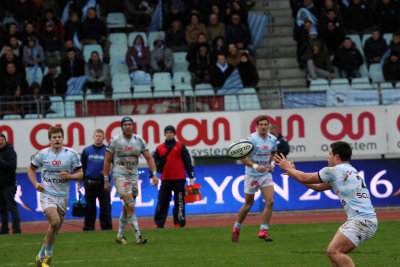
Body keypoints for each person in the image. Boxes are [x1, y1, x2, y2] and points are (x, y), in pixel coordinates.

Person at [274, 141, 378, 267]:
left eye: (329, 154)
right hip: (366, 220)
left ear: (337, 157)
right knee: (335, 257)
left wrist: (288, 168)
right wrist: (293, 173)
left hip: (361, 220)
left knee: (333, 252)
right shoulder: (350, 170)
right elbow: (317, 187)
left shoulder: (333, 171)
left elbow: (305, 178)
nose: (327, 157)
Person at [27, 126, 83, 267]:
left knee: (55, 228)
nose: (57, 139)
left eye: (59, 137)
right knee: (54, 221)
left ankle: (40, 254)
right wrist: (36, 183)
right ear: (50, 139)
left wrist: (70, 176)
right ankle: (48, 257)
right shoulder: (43, 154)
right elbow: (31, 169)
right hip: (47, 194)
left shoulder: (71, 153)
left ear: (63, 138)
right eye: (54, 137)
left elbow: (81, 173)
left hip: (63, 196)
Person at [103, 117, 159, 245]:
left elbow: (149, 157)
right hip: (119, 175)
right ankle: (138, 236)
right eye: (125, 124)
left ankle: (120, 236)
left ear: (133, 126)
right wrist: (106, 179)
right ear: (122, 126)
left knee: (127, 207)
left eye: (130, 124)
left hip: (133, 176)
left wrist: (154, 174)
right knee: (131, 204)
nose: (128, 126)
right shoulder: (115, 140)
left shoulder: (139, 140)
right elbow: (107, 160)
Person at [232, 116, 277, 242]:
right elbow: (242, 157)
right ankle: (237, 227)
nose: (263, 127)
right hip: (251, 174)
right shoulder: (250, 139)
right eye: (261, 124)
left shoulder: (273, 139)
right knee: (248, 204)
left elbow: (274, 154)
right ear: (257, 126)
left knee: (270, 201)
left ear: (268, 126)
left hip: (265, 175)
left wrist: (272, 165)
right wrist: (256, 166)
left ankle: (263, 230)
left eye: (265, 124)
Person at [153, 125, 195, 228]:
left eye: (171, 132)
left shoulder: (181, 146)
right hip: (166, 179)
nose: (169, 134)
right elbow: (153, 162)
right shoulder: (159, 148)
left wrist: (191, 176)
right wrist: (152, 175)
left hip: (179, 178)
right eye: (167, 132)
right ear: (164, 134)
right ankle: (159, 224)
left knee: (180, 202)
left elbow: (187, 161)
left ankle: (179, 223)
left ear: (174, 134)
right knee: (162, 202)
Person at [78, 129, 112, 231]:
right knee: (89, 208)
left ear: (104, 138)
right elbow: (81, 167)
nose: (98, 138)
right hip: (89, 183)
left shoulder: (108, 150)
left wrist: (110, 171)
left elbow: (116, 164)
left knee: (105, 208)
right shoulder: (87, 151)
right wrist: (79, 182)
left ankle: (106, 228)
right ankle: (89, 228)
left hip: (104, 183)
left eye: (100, 136)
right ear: (93, 137)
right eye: (96, 136)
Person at [0, 133, 21, 235]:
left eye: (1, 140)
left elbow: (12, 166)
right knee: (2, 208)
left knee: (11, 206)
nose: (0, 142)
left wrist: (1, 162)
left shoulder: (11, 152)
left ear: (5, 140)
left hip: (8, 184)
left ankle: (16, 229)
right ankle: (4, 230)